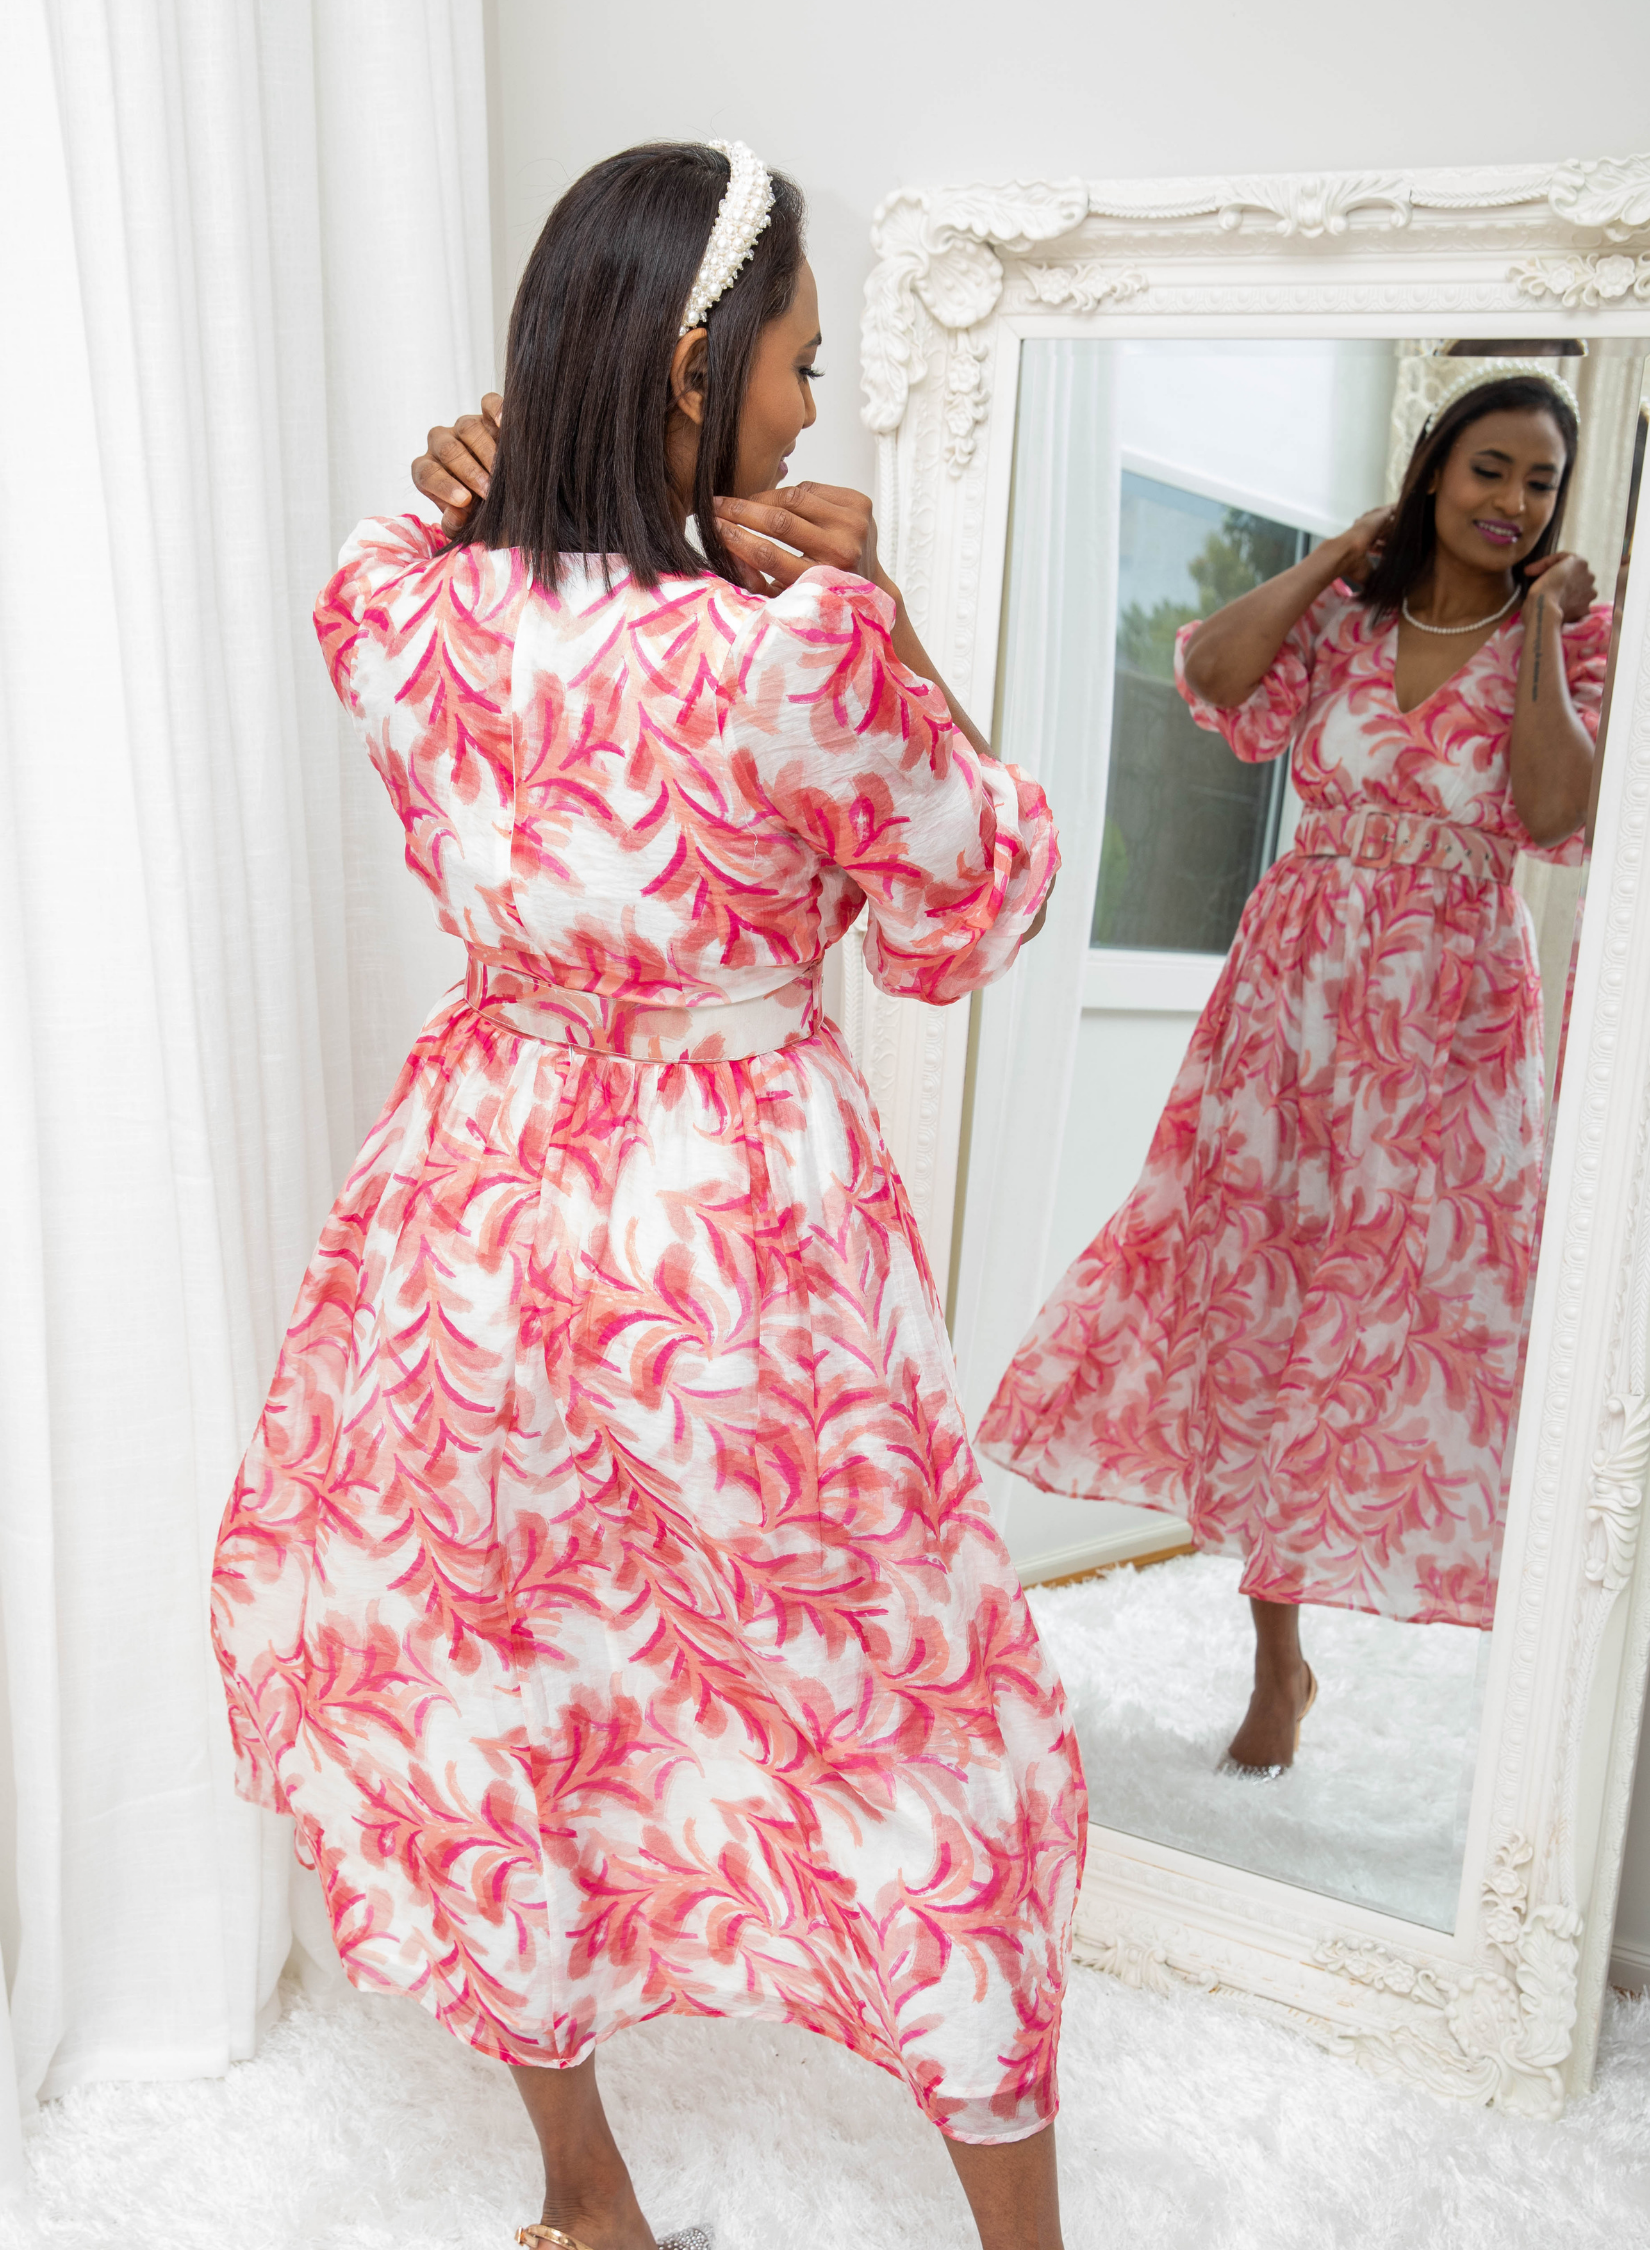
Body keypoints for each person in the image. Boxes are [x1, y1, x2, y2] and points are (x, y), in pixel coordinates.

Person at [211, 140, 1081, 2250]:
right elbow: (985, 901)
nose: (808, 413)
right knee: (910, 1723)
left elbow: (382, 564)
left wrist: (462, 479)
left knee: (491, 1682)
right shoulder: (798, 655)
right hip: (731, 1249)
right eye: (790, 364)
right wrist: (887, 631)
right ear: (696, 365)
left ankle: (585, 2198)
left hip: (473, 1221)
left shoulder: (406, 612)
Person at [978, 363, 1610, 1776]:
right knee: (1263, 1298)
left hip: (1449, 1025)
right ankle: (1277, 1664)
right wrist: (1336, 553)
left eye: (1538, 482)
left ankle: (1523, 1723)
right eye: (1488, 467)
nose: (1512, 500)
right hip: (1292, 999)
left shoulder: (1568, 639)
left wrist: (1535, 641)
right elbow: (1209, 673)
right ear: (1436, 470)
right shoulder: (1347, 617)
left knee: (1402, 1315)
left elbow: (1557, 809)